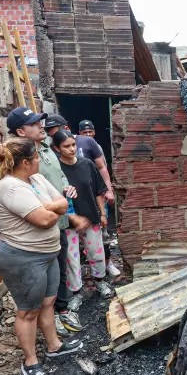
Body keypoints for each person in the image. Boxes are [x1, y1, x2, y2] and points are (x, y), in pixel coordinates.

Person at [0, 137, 83, 375]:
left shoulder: (36, 179)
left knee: (48, 301)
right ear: (25, 163)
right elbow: (43, 220)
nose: (39, 161)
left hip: (47, 254)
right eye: (36, 158)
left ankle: (54, 346)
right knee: (28, 310)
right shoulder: (9, 187)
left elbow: (64, 204)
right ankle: (30, 361)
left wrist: (49, 207)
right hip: (23, 257)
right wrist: (52, 209)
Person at [7, 107, 83, 335]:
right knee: (41, 278)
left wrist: (65, 187)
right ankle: (41, 320)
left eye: (40, 121)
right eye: (34, 123)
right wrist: (57, 206)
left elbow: (59, 175)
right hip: (36, 230)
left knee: (59, 270)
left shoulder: (48, 150)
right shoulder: (16, 161)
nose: (42, 126)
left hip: (57, 223)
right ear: (21, 132)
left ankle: (60, 310)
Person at [52, 130, 114, 299]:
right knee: (72, 258)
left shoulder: (87, 164)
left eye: (73, 145)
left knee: (96, 252)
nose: (72, 149)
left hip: (91, 217)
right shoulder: (56, 170)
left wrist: (102, 215)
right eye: (66, 146)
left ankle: (100, 281)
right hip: (68, 222)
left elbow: (98, 191)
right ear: (57, 148)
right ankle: (77, 292)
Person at [77, 120, 120, 280]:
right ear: (79, 134)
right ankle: (88, 268)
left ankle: (107, 264)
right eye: (84, 133)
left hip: (98, 196)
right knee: (82, 233)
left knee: (103, 232)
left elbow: (103, 169)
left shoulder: (96, 147)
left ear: (94, 132)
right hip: (80, 198)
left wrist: (108, 190)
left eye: (90, 132)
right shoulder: (74, 147)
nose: (88, 135)